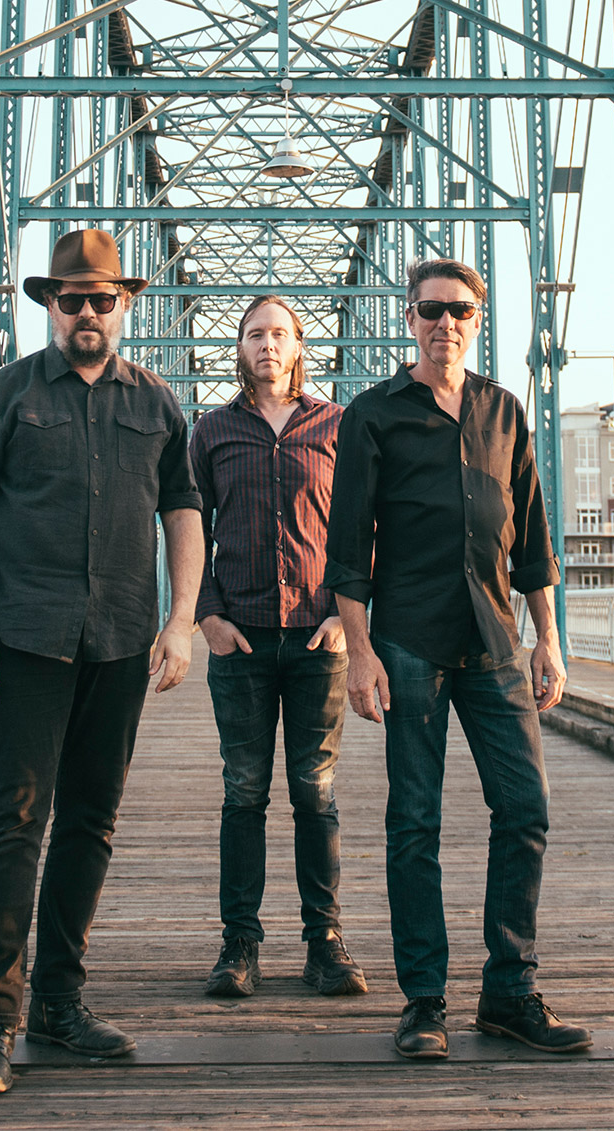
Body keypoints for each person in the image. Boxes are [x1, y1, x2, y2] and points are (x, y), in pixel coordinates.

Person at [0, 228, 205, 1098]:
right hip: (24, 640)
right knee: (14, 825)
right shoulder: (6, 394)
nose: (86, 312)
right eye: (70, 299)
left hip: (122, 638)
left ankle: (60, 1000)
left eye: (101, 299)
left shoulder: (159, 403)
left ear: (124, 304)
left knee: (91, 821)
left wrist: (182, 622)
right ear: (50, 305)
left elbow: (184, 516)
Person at [326, 257, 588, 1061]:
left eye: (461, 311)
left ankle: (510, 990)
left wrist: (549, 636)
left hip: (498, 641)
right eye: (432, 310)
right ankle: (424, 1000)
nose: (446, 323)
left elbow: (534, 540)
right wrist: (359, 653)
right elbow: (346, 552)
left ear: (479, 317)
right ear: (410, 317)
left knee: (526, 809)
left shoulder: (506, 410)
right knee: (415, 822)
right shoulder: (372, 415)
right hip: (407, 640)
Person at [189, 296, 366, 1001]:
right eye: (256, 333)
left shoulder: (337, 426)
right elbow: (185, 525)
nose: (269, 344)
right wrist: (205, 614)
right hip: (241, 640)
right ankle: (240, 945)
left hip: (321, 637)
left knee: (315, 794)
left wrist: (350, 619)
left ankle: (325, 942)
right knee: (243, 792)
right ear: (240, 346)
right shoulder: (211, 430)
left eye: (281, 334)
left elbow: (364, 527)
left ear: (299, 347)